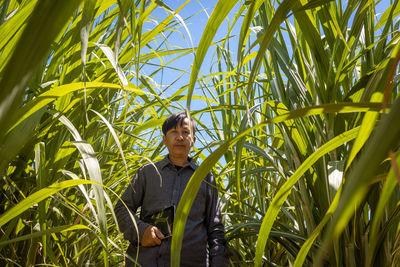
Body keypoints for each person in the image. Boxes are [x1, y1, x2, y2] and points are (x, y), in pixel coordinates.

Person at [114, 112, 230, 267]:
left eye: (186, 132)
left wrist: (219, 263)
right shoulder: (147, 172)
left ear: (193, 140)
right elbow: (121, 208)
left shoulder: (205, 178)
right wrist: (142, 231)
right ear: (164, 140)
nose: (180, 137)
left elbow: (215, 229)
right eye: (174, 132)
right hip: (145, 262)